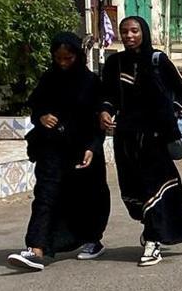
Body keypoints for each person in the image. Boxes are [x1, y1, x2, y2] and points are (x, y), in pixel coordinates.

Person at [7, 33, 111, 271]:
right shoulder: (49, 79)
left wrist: (92, 147)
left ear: (78, 56)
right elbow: (36, 106)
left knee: (87, 197)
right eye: (58, 58)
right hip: (51, 148)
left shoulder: (91, 82)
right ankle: (36, 249)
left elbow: (98, 121)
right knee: (45, 195)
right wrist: (42, 116)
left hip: (81, 150)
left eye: (68, 58)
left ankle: (92, 239)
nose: (63, 63)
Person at [99, 16, 182, 267]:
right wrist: (105, 111)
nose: (129, 36)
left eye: (134, 31)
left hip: (155, 138)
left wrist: (169, 121)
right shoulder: (115, 63)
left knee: (155, 186)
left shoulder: (157, 60)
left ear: (144, 32)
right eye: (124, 32)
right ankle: (152, 227)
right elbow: (107, 95)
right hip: (126, 139)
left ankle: (153, 240)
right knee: (133, 189)